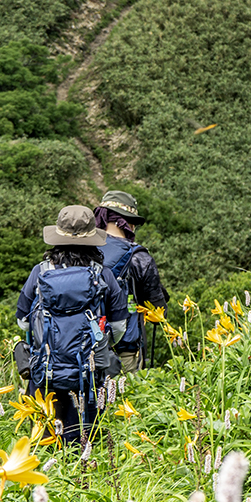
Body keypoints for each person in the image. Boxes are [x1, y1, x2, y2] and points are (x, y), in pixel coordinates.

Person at [15, 205, 129, 443]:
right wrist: (98, 343)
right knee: (83, 440)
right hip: (89, 375)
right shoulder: (104, 275)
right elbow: (119, 327)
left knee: (44, 441)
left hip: (45, 372)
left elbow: (23, 322)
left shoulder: (40, 272)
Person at [94, 190, 168, 372]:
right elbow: (159, 311)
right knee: (124, 397)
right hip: (123, 351)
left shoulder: (79, 251)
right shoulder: (138, 257)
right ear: (125, 222)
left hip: (78, 347)